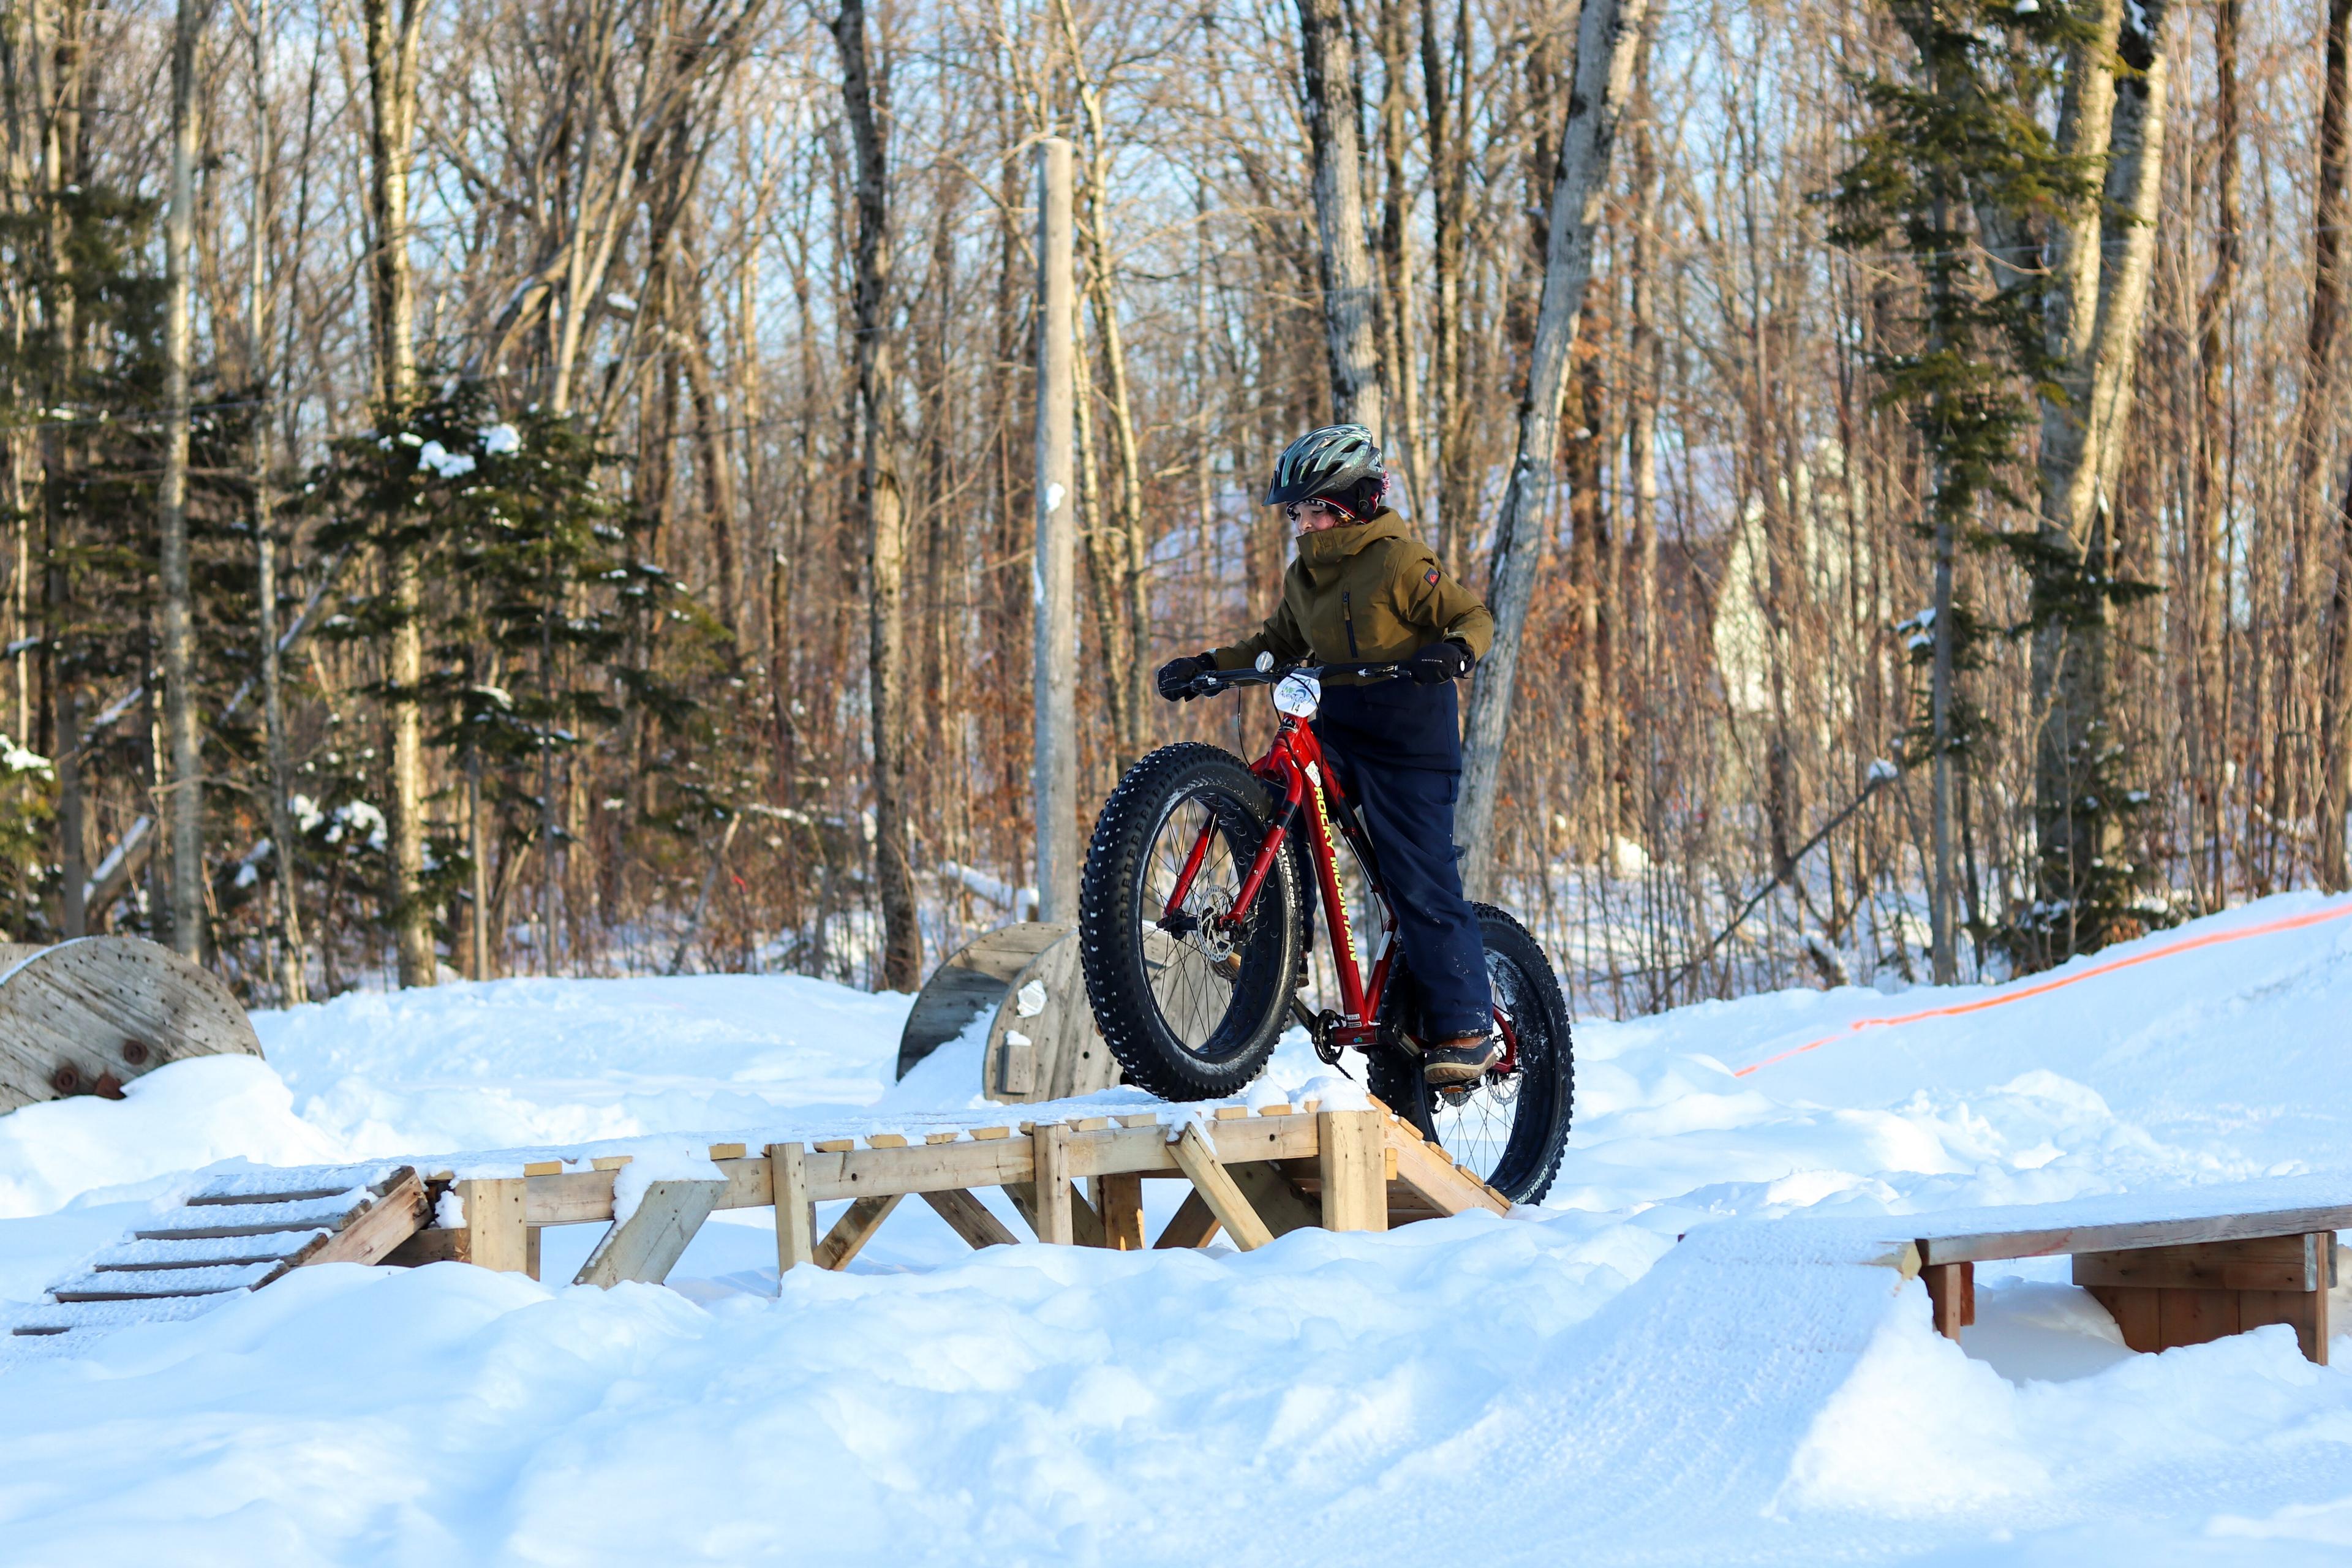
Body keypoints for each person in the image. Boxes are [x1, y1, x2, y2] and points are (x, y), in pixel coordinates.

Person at [1153, 424, 1498, 1086]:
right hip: (1339, 729)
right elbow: (1275, 644)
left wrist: (1454, 651)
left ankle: (1468, 1026)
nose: (1302, 524)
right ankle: (1280, 947)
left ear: (1352, 505)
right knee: (1271, 801)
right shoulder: (1305, 575)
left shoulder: (1400, 561)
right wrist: (1205, 667)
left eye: (1314, 509)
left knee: (1417, 878)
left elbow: (1471, 614)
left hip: (1409, 744)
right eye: (1296, 512)